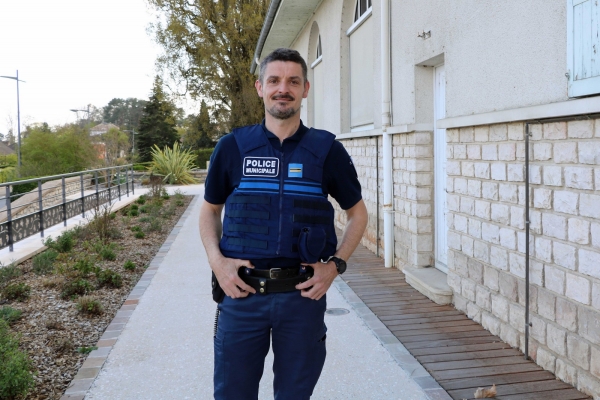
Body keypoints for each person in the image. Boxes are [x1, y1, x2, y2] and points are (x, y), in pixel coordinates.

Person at [199, 47, 368, 400]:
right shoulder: (232, 147)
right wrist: (218, 264)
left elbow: (357, 214)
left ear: (305, 88)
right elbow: (210, 210)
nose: (283, 89)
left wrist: (334, 266)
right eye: (274, 80)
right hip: (241, 295)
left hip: (302, 298)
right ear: (260, 87)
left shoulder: (326, 151)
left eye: (293, 81)